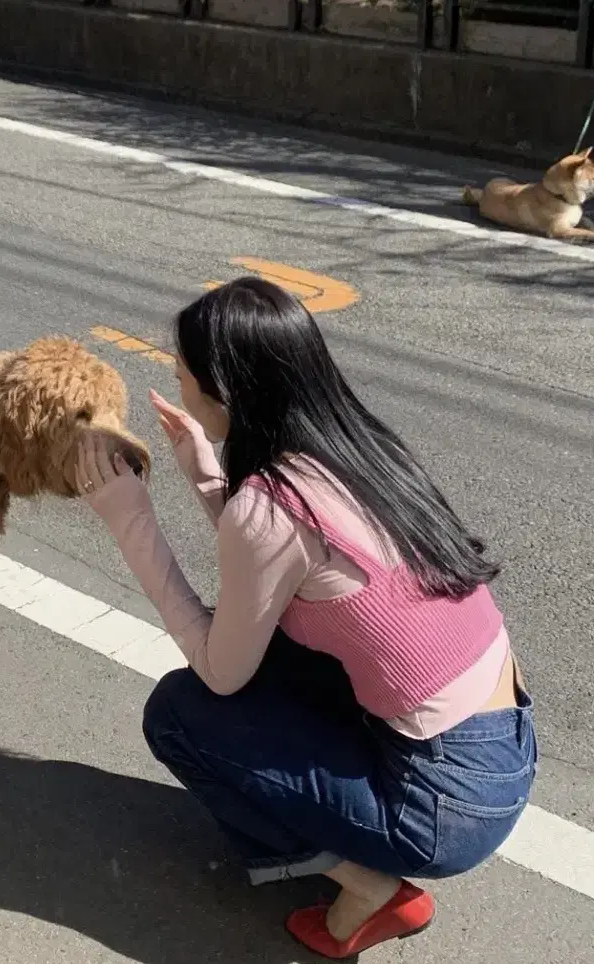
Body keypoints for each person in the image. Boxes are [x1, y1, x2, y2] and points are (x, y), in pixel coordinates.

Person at [77, 277, 537, 960]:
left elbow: (221, 670)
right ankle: (356, 832)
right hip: (503, 747)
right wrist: (209, 481)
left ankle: (368, 886)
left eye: (182, 377)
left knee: (181, 712)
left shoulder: (270, 505)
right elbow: (289, 569)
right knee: (282, 646)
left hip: (443, 804)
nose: (177, 387)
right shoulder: (359, 448)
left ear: (223, 394)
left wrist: (131, 522)